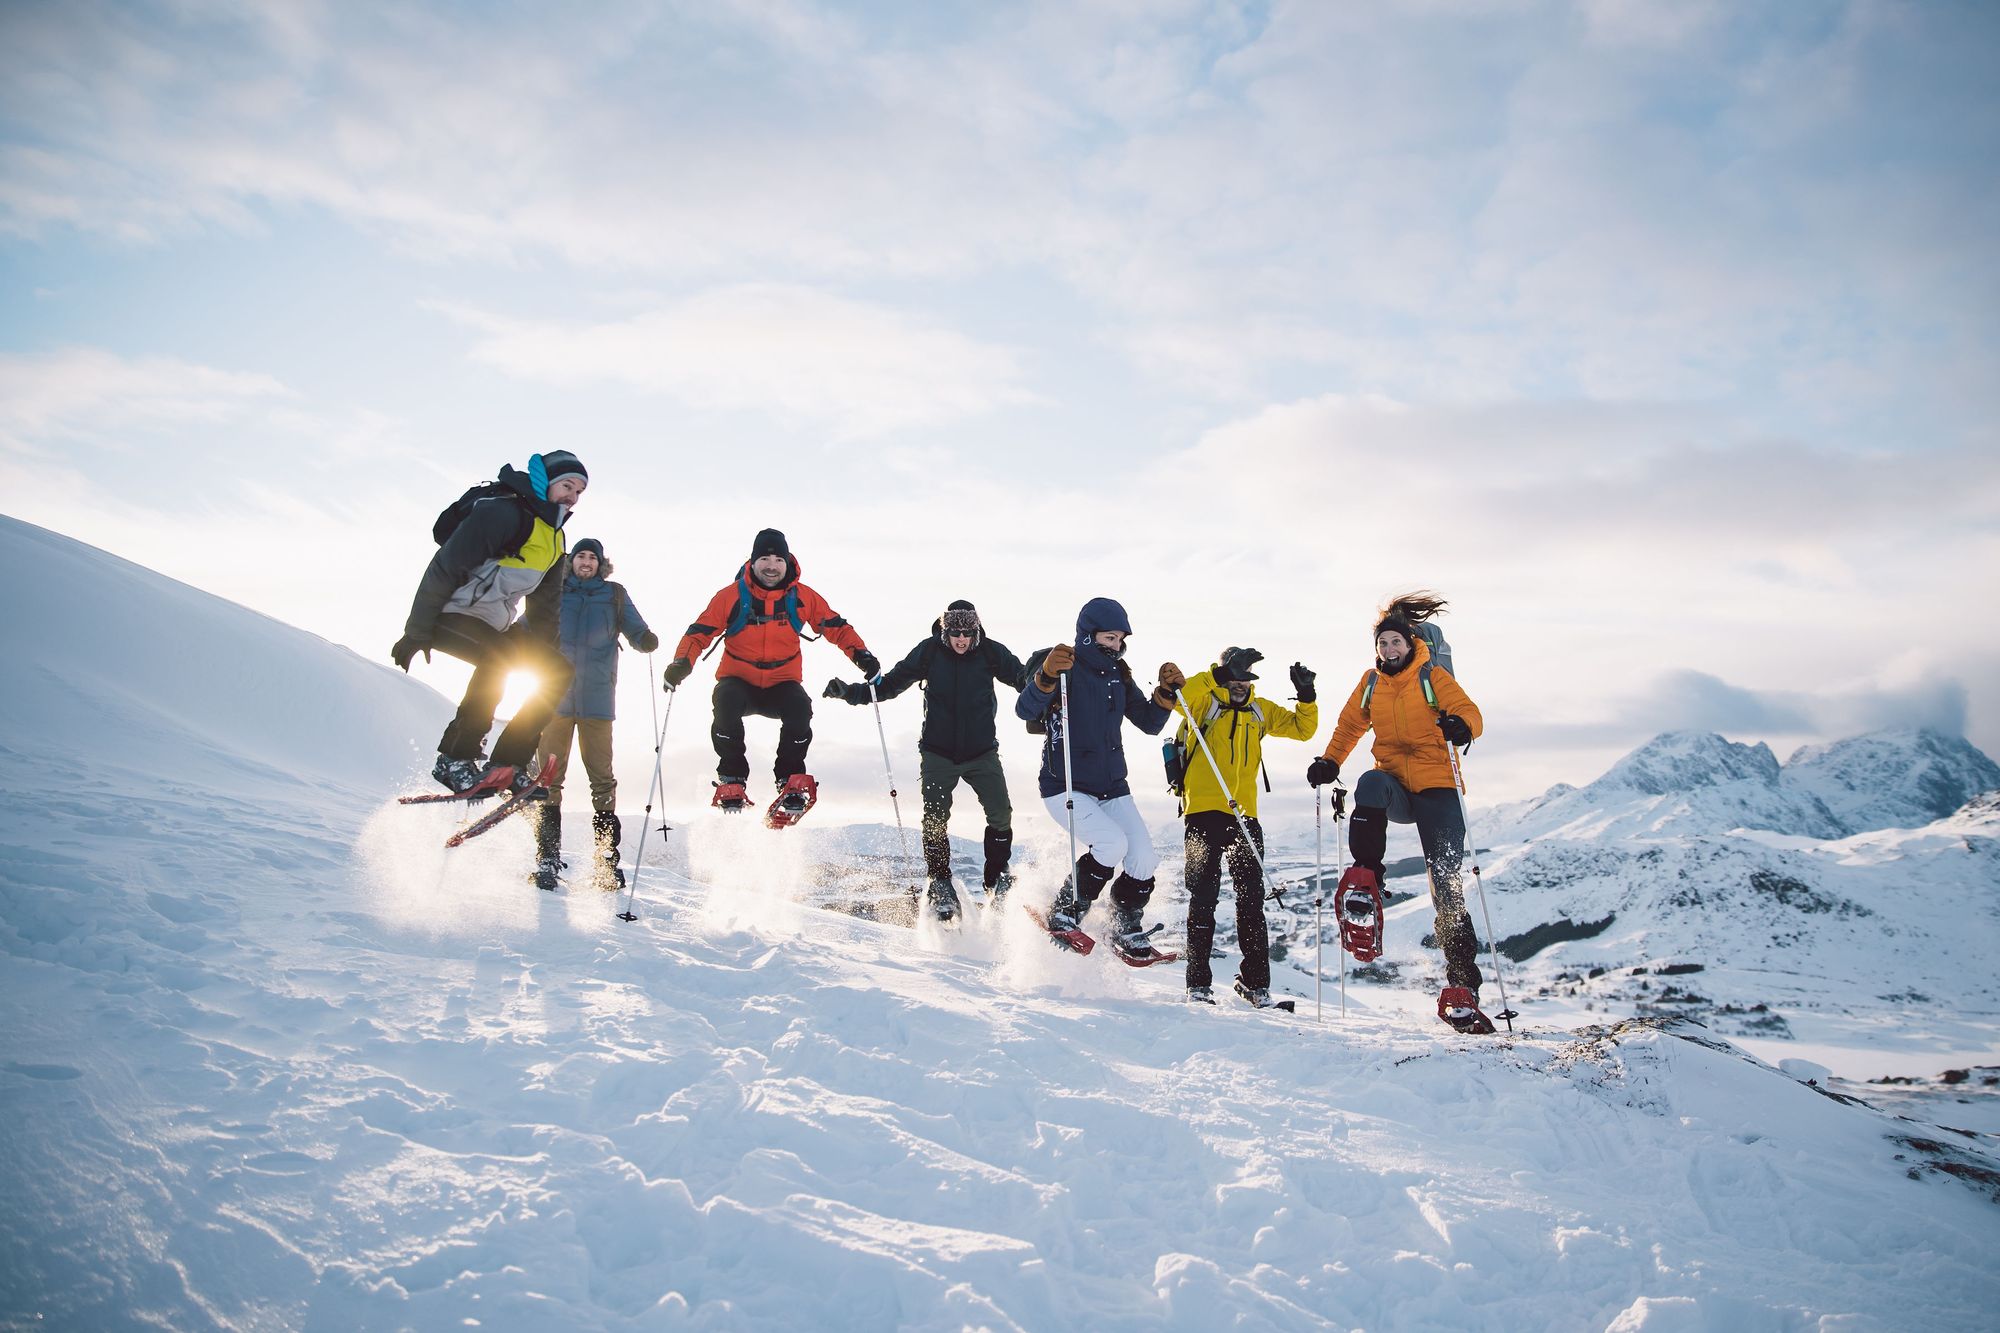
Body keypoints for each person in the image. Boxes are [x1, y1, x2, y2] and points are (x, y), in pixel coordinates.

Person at [1306, 593, 1487, 1031]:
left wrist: (1461, 726)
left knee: (1446, 884)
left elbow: (1470, 712)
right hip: (1396, 787)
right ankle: (1366, 876)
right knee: (1369, 782)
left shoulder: (1432, 676)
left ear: (1410, 644)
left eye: (1395, 643)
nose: (1389, 650)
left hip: (1438, 787)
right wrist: (1330, 761)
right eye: (1383, 643)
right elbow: (1350, 725)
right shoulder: (1372, 682)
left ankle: (1463, 985)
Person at [392, 451, 585, 793]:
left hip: (492, 623)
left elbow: (545, 608)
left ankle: (509, 762)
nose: (572, 497)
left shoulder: (554, 537)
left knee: (558, 670)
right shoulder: (502, 513)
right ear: (545, 482)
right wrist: (416, 631)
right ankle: (454, 758)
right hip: (450, 614)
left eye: (579, 491)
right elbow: (445, 567)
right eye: (567, 485)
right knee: (498, 658)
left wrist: (543, 657)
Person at [826, 600, 1028, 920]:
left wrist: (1047, 676)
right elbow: (890, 685)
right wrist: (850, 692)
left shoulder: (991, 652)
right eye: (955, 632)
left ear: (976, 631)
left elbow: (1023, 679)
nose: (961, 639)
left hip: (982, 753)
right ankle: (939, 882)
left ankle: (996, 878)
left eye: (967, 632)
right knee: (934, 818)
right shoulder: (929, 652)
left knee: (1001, 813)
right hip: (938, 753)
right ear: (945, 630)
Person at [662, 528, 878, 817]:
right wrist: (681, 664)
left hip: (781, 683)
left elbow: (836, 627)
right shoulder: (730, 596)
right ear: (752, 562)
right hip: (738, 681)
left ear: (788, 562)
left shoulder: (802, 597)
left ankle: (790, 781)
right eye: (764, 558)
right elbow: (698, 633)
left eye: (778, 559)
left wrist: (862, 656)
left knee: (800, 707)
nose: (771, 566)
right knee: (725, 700)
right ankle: (732, 779)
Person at [1016, 597, 1181, 950]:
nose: (1116, 645)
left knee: (1143, 858)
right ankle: (1065, 910)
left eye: (1120, 639)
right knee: (1111, 843)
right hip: (1065, 784)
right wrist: (1044, 676)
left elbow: (1150, 723)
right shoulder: (1065, 669)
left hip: (1112, 785)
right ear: (1089, 636)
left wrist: (1165, 695)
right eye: (1110, 638)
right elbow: (1024, 709)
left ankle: (1122, 923)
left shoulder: (1118, 675)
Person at [1171, 648, 1319, 1005]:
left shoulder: (1260, 709)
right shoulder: (1202, 702)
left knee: (1252, 902)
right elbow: (1178, 699)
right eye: (1234, 677)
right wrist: (1215, 676)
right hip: (1203, 813)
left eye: (1245, 678)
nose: (1240, 685)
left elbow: (1303, 730)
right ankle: (1198, 985)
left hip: (1244, 818)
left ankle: (1255, 985)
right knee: (1203, 899)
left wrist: (1306, 697)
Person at [530, 538, 659, 890]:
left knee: (602, 778)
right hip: (554, 696)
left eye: (593, 558)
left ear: (601, 564)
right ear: (570, 561)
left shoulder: (614, 594)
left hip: (598, 699)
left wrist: (644, 638)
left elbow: (634, 627)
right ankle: (547, 856)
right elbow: (529, 625)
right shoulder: (552, 590)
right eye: (580, 556)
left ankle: (606, 860)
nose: (586, 562)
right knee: (549, 777)